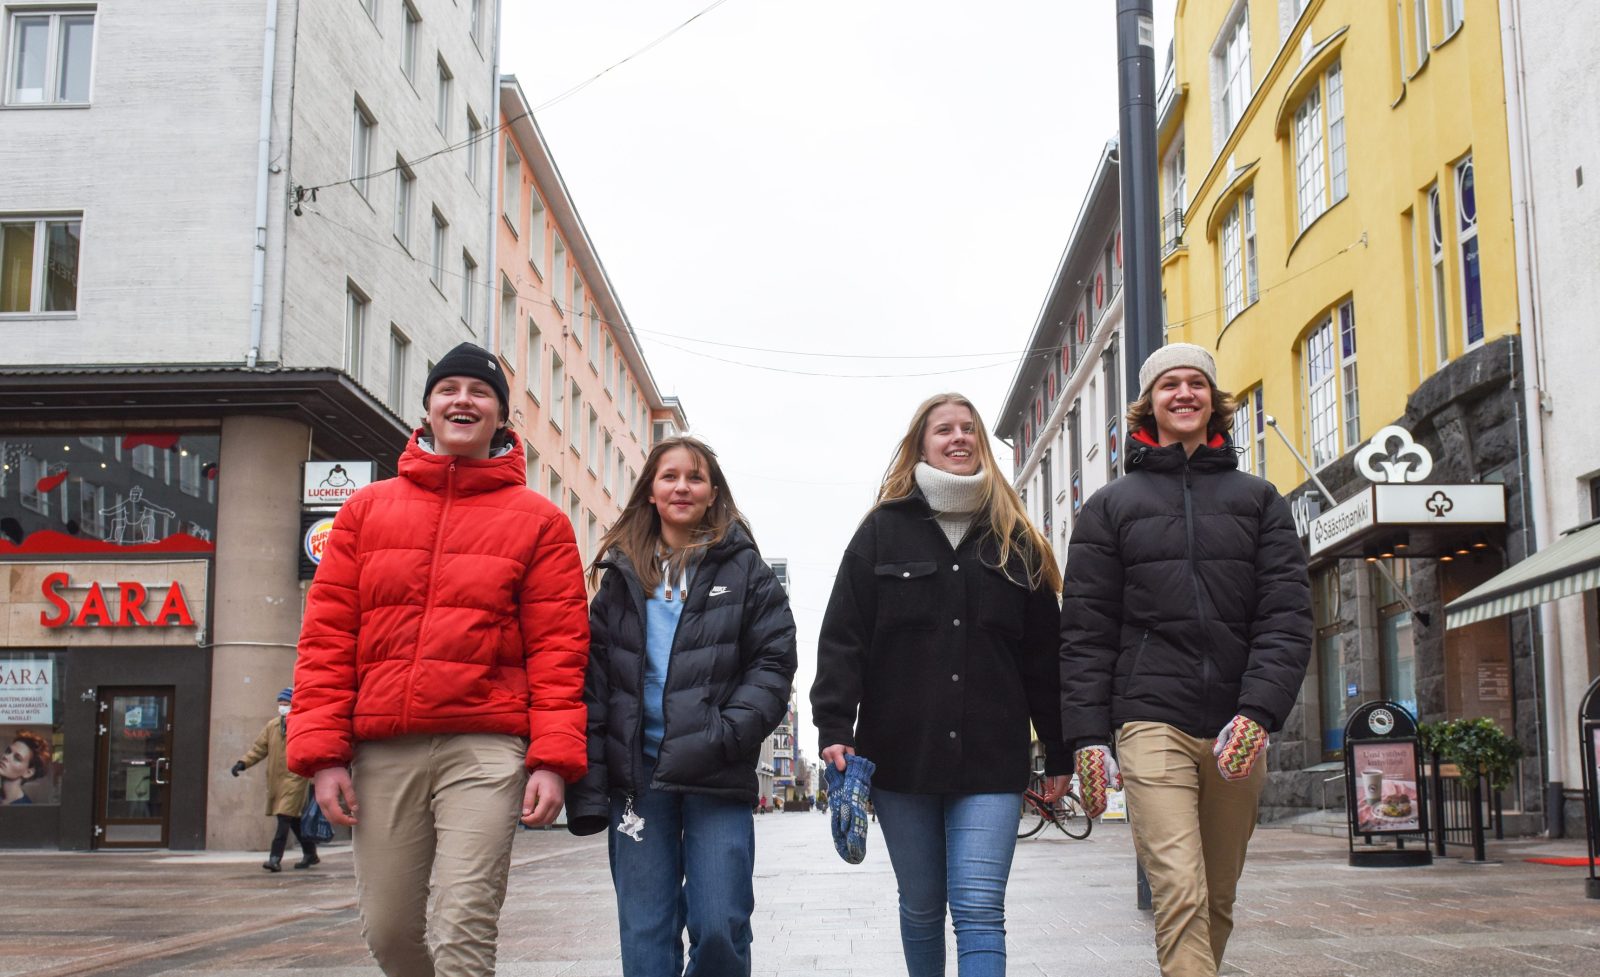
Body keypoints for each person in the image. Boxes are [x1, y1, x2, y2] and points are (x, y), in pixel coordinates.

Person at [288, 342, 590, 977]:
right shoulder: (365, 511)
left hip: (485, 749)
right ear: (425, 409)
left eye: (479, 392)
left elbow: (559, 653)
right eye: (448, 389)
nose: (463, 400)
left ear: (502, 418)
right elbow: (326, 642)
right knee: (390, 931)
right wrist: (322, 757)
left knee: (463, 929)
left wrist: (553, 762)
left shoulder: (541, 522)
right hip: (384, 749)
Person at [1060, 344, 1312, 977]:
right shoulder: (1109, 508)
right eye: (1169, 384)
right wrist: (1088, 738)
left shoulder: (1261, 502)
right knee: (1179, 888)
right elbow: (1086, 634)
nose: (1184, 394)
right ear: (1150, 402)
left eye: (1196, 383)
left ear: (1213, 400)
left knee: (1218, 895)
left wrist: (1258, 710)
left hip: (1236, 724)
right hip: (1151, 719)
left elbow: (1286, 617)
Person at [812, 392, 1066, 977]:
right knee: (923, 908)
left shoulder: (1016, 542)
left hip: (992, 760)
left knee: (979, 909)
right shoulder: (881, 533)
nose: (959, 438)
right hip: (902, 758)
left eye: (969, 429)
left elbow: (1045, 660)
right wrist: (833, 726)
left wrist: (1058, 748)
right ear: (920, 445)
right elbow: (843, 637)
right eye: (944, 429)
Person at [567, 435, 797, 977]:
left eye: (695, 477)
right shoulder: (620, 577)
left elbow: (773, 660)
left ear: (712, 490)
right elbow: (594, 683)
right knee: (646, 935)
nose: (682, 486)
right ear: (650, 489)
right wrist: (592, 777)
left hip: (715, 770)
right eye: (669, 476)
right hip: (638, 779)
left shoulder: (745, 571)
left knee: (720, 928)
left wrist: (728, 732)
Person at [232, 687, 317, 871]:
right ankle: (310, 853)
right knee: (292, 818)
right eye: (280, 704)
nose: (282, 707)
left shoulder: (303, 724)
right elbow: (259, 748)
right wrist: (243, 763)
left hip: (296, 777)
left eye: (286, 704)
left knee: (284, 816)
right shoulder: (272, 726)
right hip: (277, 779)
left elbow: (312, 748)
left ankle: (275, 858)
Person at [0, 730, 51, 805]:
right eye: (8, 751)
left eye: (17, 758)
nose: (6, 757)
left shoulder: (25, 806)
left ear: (28, 772)